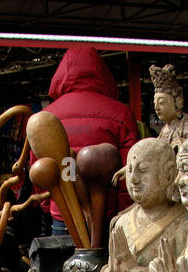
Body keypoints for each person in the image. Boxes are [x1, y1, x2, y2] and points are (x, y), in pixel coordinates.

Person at [42, 46, 139, 231]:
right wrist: (122, 212)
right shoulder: (121, 114)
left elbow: (41, 171)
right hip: (110, 217)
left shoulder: (46, 116)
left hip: (63, 216)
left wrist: (50, 205)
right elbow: (131, 172)